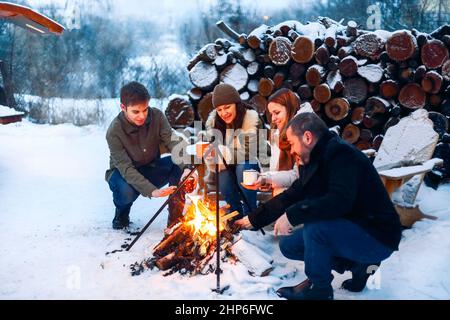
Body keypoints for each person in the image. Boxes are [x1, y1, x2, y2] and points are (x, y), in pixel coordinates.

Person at [235, 112, 402, 300]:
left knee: (315, 228)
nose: (290, 151)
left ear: (307, 137)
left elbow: (339, 202)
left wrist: (292, 215)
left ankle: (320, 290)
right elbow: (293, 194)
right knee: (289, 245)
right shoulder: (312, 160)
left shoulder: (342, 155)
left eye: (291, 143)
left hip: (377, 236)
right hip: (352, 229)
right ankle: (358, 266)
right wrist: (253, 219)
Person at [105, 81, 196, 229]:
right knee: (126, 192)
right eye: (136, 111)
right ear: (123, 108)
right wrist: (152, 191)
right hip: (122, 174)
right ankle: (121, 213)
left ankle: (175, 217)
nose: (142, 116)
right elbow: (126, 169)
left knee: (177, 164)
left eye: (145, 110)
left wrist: (187, 167)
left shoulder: (157, 116)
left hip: (151, 167)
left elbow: (173, 142)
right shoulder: (114, 132)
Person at [205, 83, 262, 217]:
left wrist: (223, 153)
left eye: (227, 107)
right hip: (228, 166)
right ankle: (236, 216)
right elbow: (214, 149)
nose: (223, 113)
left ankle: (251, 216)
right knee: (223, 179)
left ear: (236, 103)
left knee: (243, 169)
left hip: (250, 162)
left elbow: (250, 151)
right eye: (219, 110)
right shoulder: (214, 123)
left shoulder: (250, 119)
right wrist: (210, 155)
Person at [244, 88, 313, 197]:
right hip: (287, 193)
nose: (273, 119)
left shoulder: (306, 132)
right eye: (271, 114)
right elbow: (275, 170)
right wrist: (265, 180)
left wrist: (269, 179)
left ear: (290, 109)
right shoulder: (279, 135)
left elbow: (297, 176)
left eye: (276, 113)